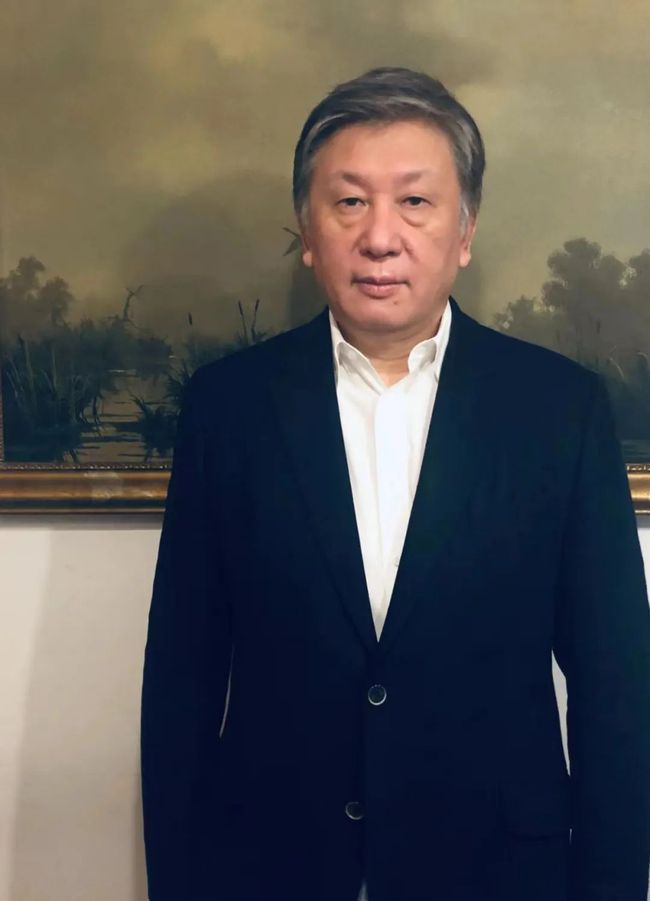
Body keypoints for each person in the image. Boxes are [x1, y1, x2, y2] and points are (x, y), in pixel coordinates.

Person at [140, 67, 650, 901]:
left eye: (415, 201)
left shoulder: (560, 409)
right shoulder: (229, 408)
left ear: (465, 229)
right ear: (308, 230)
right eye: (349, 202)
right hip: (272, 870)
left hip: (500, 873)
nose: (380, 237)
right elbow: (181, 682)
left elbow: (616, 688)